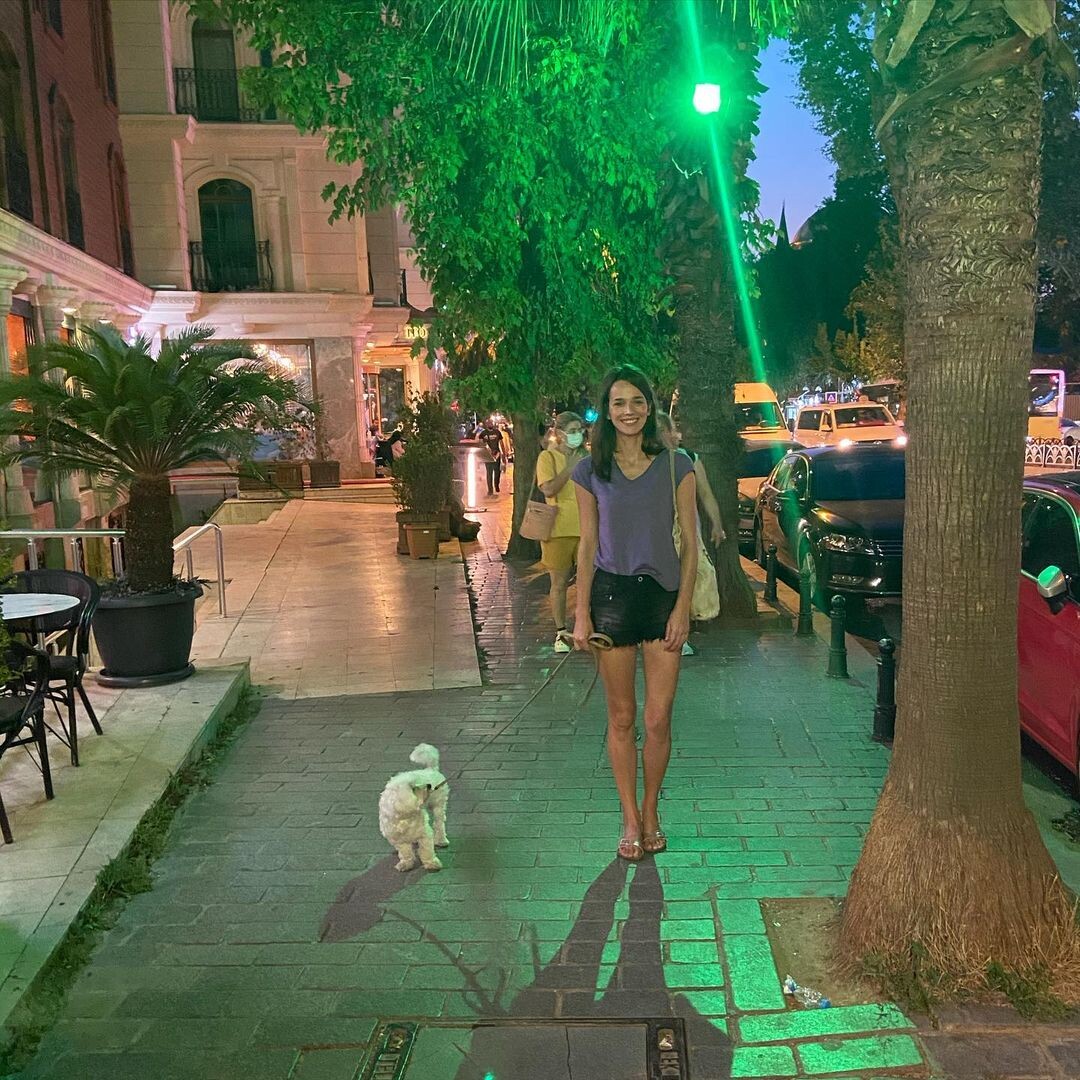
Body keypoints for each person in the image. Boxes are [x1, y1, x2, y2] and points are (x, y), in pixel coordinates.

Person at [572, 365, 698, 863]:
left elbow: (691, 543)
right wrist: (580, 615)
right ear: (606, 411)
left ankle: (651, 810)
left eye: (638, 401)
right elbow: (586, 544)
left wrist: (683, 608)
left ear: (650, 407)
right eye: (619, 402)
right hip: (611, 599)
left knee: (658, 718)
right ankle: (628, 817)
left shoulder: (676, 466)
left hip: (663, 596)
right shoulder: (590, 470)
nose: (629, 411)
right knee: (622, 716)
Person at [655, 412, 726, 658]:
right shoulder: (646, 460)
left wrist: (717, 524)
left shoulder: (688, 458)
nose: (661, 436)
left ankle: (679, 633)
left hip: (685, 528)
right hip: (657, 530)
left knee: (685, 578)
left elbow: (705, 493)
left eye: (664, 430)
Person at [536, 412, 587, 654]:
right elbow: (548, 489)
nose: (578, 435)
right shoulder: (547, 457)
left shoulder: (587, 457)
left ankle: (585, 627)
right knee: (559, 583)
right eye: (573, 430)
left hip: (587, 528)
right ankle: (561, 631)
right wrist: (570, 468)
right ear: (560, 433)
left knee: (588, 582)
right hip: (558, 530)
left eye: (580, 430)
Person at [476, 418, 504, 494]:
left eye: (491, 423)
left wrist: (503, 454)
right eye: (488, 423)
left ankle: (496, 485)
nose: (490, 424)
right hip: (487, 455)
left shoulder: (497, 432)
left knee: (497, 471)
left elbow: (501, 443)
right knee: (489, 473)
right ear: (486, 424)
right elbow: (480, 443)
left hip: (496, 454)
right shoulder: (483, 433)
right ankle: (490, 490)